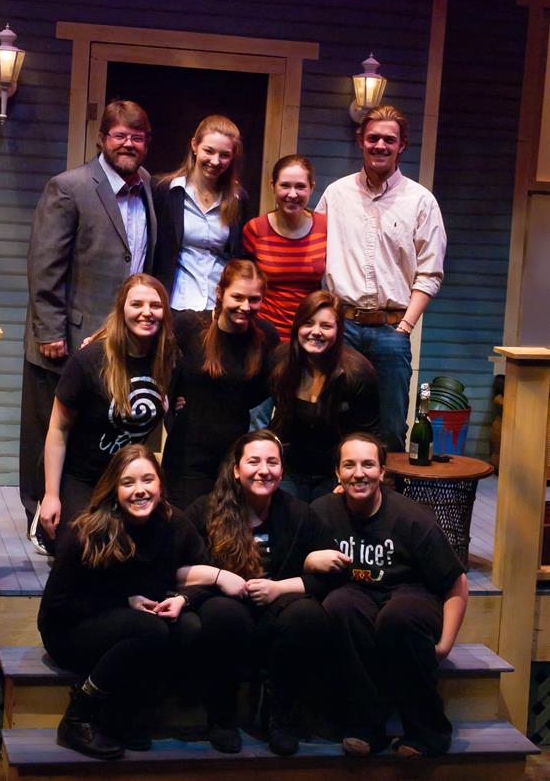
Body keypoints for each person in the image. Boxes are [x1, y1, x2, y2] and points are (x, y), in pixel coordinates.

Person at [38, 443, 239, 759]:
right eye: (128, 483)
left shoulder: (175, 524)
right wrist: (123, 600)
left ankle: (129, 712)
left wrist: (183, 599)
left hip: (131, 626)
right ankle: (78, 718)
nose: (140, 490)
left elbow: (198, 573)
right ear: (113, 489)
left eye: (148, 480)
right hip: (71, 630)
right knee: (149, 629)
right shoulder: (89, 532)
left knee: (185, 627)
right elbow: (56, 607)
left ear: (160, 483)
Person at [20, 100, 157, 550]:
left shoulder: (149, 189)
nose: (129, 144)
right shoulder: (70, 186)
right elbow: (45, 266)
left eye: (137, 137)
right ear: (102, 139)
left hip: (119, 338)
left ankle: (88, 515)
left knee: (95, 431)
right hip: (67, 336)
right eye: (120, 135)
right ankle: (40, 518)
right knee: (50, 425)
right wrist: (50, 331)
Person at [308, 432, 468, 757]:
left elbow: (456, 583)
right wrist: (310, 559)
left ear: (382, 472)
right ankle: (366, 726)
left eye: (368, 464)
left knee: (397, 618)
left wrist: (446, 643)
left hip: (413, 595)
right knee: (339, 605)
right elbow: (297, 557)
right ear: (337, 473)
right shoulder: (323, 512)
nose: (359, 473)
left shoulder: (411, 518)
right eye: (349, 465)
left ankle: (427, 732)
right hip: (358, 594)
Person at [185, 430, 336, 756]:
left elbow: (329, 581)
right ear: (237, 469)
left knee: (308, 614)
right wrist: (220, 577)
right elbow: (173, 565)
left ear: (282, 470)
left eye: (272, 462)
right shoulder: (206, 509)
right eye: (253, 461)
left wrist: (278, 588)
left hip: (276, 611)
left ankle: (278, 715)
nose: (263, 470)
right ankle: (221, 717)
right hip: (223, 611)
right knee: (224, 614)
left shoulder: (299, 513)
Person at [315, 104, 447, 452]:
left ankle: (387, 503)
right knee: (332, 420)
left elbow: (431, 272)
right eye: (373, 138)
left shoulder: (421, 201)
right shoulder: (336, 195)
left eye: (389, 139)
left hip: (392, 331)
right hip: (342, 328)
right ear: (361, 140)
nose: (380, 146)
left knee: (389, 429)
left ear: (402, 145)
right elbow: (315, 255)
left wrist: (405, 326)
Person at [39, 274, 176, 555]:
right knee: (80, 548)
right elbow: (58, 429)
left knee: (151, 546)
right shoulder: (90, 360)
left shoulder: (170, 359)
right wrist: (51, 495)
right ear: (122, 309)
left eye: (155, 305)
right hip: (82, 478)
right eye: (137, 304)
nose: (146, 312)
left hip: (127, 481)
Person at [162, 259, 279, 509]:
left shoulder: (266, 336)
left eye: (254, 299)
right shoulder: (190, 326)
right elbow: (161, 368)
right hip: (187, 454)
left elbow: (263, 390)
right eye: (237, 297)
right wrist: (171, 402)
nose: (245, 306)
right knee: (186, 529)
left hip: (233, 456)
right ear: (220, 292)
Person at [270, 290, 379, 502]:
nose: (316, 332)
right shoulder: (279, 361)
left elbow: (368, 436)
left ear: (338, 331)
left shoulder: (359, 373)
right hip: (290, 470)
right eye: (308, 323)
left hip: (334, 475)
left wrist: (348, 479)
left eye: (326, 326)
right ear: (297, 327)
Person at [152, 114, 247, 308]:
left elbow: (236, 256)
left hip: (217, 308)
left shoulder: (238, 199)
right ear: (195, 146)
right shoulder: (165, 190)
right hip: (174, 304)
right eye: (209, 151)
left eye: (224, 155)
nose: (215, 161)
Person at [242, 155, 327, 342]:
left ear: (312, 187)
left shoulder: (325, 227)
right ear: (273, 186)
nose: (292, 194)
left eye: (300, 186)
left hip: (311, 336)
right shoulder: (255, 229)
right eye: (285, 185)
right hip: (264, 335)